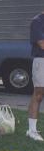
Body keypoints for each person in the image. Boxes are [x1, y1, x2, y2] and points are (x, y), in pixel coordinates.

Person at [27, 12, 44, 141]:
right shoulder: (37, 21)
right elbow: (42, 44)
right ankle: (32, 131)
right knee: (38, 94)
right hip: (41, 61)